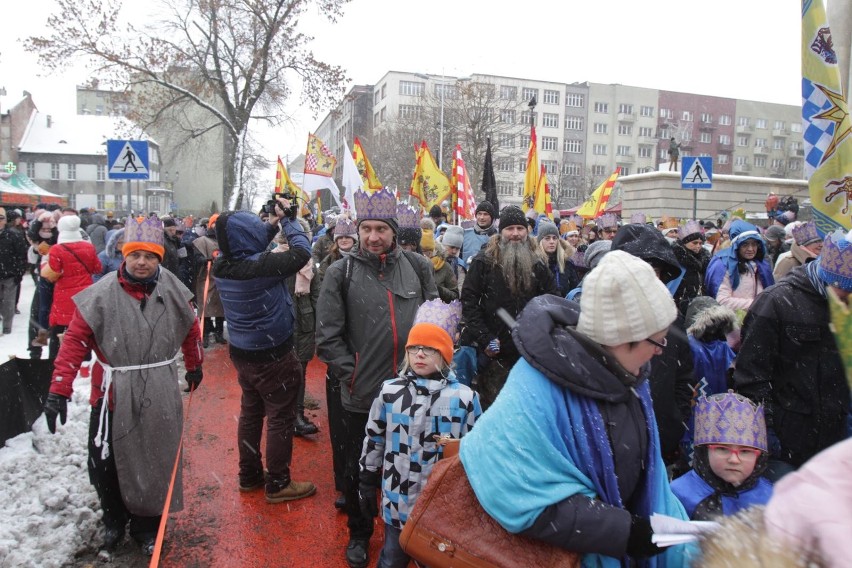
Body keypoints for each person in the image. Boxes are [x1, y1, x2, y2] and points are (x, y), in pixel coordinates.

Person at [460, 252, 692, 566]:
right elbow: (512, 488)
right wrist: (623, 532)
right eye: (657, 342)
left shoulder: (633, 379)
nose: (658, 353)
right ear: (621, 337)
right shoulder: (535, 386)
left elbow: (650, 474)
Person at [43, 215, 203, 556]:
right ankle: (114, 518)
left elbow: (191, 330)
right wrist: (59, 389)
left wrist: (195, 365)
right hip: (111, 393)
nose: (142, 262)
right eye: (135, 255)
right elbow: (73, 343)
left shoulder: (173, 288)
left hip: (158, 389)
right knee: (105, 462)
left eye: (149, 255)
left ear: (159, 257)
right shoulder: (99, 295)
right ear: (123, 255)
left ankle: (147, 524)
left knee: (155, 458)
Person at [316, 188, 437, 568]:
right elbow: (327, 337)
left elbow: (434, 324)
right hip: (360, 396)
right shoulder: (341, 272)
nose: (372, 236)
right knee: (359, 470)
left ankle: (414, 533)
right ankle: (359, 532)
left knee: (416, 466)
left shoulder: (418, 267)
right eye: (366, 228)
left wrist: (428, 366)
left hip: (415, 392)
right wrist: (351, 375)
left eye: (380, 229)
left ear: (393, 231)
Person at [358, 300, 481, 568]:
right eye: (414, 348)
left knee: (435, 560)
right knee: (392, 558)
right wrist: (367, 479)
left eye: (429, 348)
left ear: (446, 354)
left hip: (439, 507)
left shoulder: (464, 399)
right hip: (397, 499)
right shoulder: (390, 392)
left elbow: (473, 451)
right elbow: (374, 437)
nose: (420, 354)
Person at [212, 200, 317, 503]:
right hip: (274, 354)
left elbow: (251, 242)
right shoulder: (260, 267)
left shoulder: (223, 264)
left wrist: (271, 223)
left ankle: (249, 476)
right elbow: (301, 252)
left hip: (243, 353)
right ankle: (279, 483)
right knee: (280, 417)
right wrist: (291, 221)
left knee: (251, 412)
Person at [733, 229, 852, 481]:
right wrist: (768, 433)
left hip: (837, 435)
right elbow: (751, 377)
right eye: (845, 293)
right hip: (788, 439)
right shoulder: (776, 302)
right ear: (829, 279)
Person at [612, 223, 697, 468]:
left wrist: (675, 420)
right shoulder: (594, 318)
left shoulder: (672, 319)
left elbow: (685, 375)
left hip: (661, 442)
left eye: (655, 270)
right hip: (610, 448)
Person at [459, 205, 557, 409]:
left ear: (527, 231)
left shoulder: (538, 263)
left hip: (528, 353)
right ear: (501, 231)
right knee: (494, 410)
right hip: (495, 354)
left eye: (520, 229)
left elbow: (551, 301)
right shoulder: (484, 261)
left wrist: (540, 338)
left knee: (526, 411)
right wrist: (485, 338)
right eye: (509, 228)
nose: (515, 234)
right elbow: (469, 301)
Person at [671, 392, 773, 520]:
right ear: (704, 452)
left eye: (745, 451)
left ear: (759, 457)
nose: (734, 460)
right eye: (722, 449)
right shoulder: (678, 495)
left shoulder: (771, 499)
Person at [41, 215, 101, 359]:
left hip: (64, 296)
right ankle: (85, 364)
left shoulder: (57, 249)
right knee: (83, 330)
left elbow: (53, 274)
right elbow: (97, 268)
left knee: (60, 330)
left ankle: (56, 361)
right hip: (86, 295)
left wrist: (44, 264)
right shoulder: (89, 247)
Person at [705, 219, 774, 315]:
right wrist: (756, 304)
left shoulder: (762, 264)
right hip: (733, 323)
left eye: (754, 244)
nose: (750, 249)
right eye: (745, 244)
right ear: (736, 245)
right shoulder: (724, 265)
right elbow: (721, 301)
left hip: (757, 321)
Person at [193, 214, 226, 347]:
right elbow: (196, 258)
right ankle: (205, 334)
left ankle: (219, 333)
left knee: (220, 307)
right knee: (205, 307)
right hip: (206, 278)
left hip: (221, 278)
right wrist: (205, 260)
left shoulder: (224, 241)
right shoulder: (202, 241)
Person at [672, 220, 711, 315]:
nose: (698, 246)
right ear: (685, 242)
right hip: (679, 310)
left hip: (700, 309)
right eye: (694, 243)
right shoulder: (675, 260)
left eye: (700, 243)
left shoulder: (704, 261)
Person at [0, 207, 28, 335]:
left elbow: (21, 255)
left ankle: (7, 326)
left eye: (1, 219)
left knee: (9, 302)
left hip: (10, 273)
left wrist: (19, 272)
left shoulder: (13, 235)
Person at [537, 220, 579, 297]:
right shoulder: (535, 264)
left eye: (554, 238)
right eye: (547, 238)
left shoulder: (567, 263)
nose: (552, 241)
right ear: (540, 241)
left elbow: (575, 289)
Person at [420, 228, 458, 302]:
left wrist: (439, 290)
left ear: (434, 250)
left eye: (427, 251)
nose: (424, 255)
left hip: (438, 310)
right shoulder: (413, 264)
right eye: (421, 251)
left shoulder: (445, 266)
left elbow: (455, 295)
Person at [318, 215, 357, 283]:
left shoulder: (361, 257)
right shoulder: (329, 260)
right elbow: (321, 280)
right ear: (336, 240)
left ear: (354, 240)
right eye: (340, 237)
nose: (343, 240)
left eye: (347, 237)